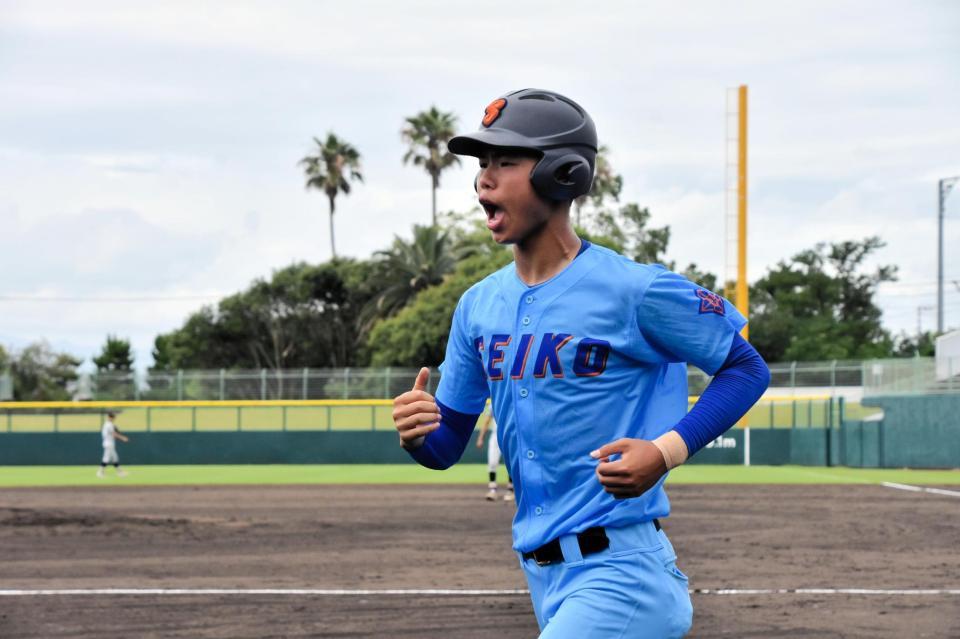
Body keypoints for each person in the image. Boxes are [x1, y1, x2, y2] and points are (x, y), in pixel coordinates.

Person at [391, 88, 770, 638]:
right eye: (481, 164)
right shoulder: (478, 305)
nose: (484, 179)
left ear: (561, 173)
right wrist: (418, 433)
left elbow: (746, 368)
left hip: (623, 576)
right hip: (543, 578)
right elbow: (446, 447)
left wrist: (665, 452)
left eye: (506, 161)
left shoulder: (635, 290)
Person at [475, 404, 514, 501]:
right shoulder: (493, 404)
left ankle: (511, 490)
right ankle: (492, 490)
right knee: (492, 462)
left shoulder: (513, 401)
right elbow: (487, 421)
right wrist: (481, 437)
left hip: (510, 435)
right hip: (495, 436)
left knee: (511, 463)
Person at [97, 411, 129, 478]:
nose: (114, 418)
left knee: (115, 458)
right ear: (109, 417)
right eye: (112, 417)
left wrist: (116, 430)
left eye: (114, 417)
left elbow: (114, 431)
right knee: (106, 458)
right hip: (108, 443)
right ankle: (100, 472)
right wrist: (123, 438)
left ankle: (120, 472)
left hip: (109, 443)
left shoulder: (108, 424)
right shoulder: (109, 424)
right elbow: (114, 434)